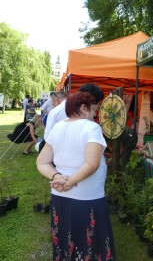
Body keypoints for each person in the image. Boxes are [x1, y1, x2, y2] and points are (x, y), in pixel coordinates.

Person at [36, 92, 115, 260]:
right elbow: (91, 164)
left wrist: (57, 176)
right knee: (89, 245)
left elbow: (42, 162)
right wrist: (68, 181)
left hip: (60, 196)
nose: (95, 114)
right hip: (87, 198)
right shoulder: (91, 127)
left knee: (66, 242)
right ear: (83, 108)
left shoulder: (58, 127)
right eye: (93, 109)